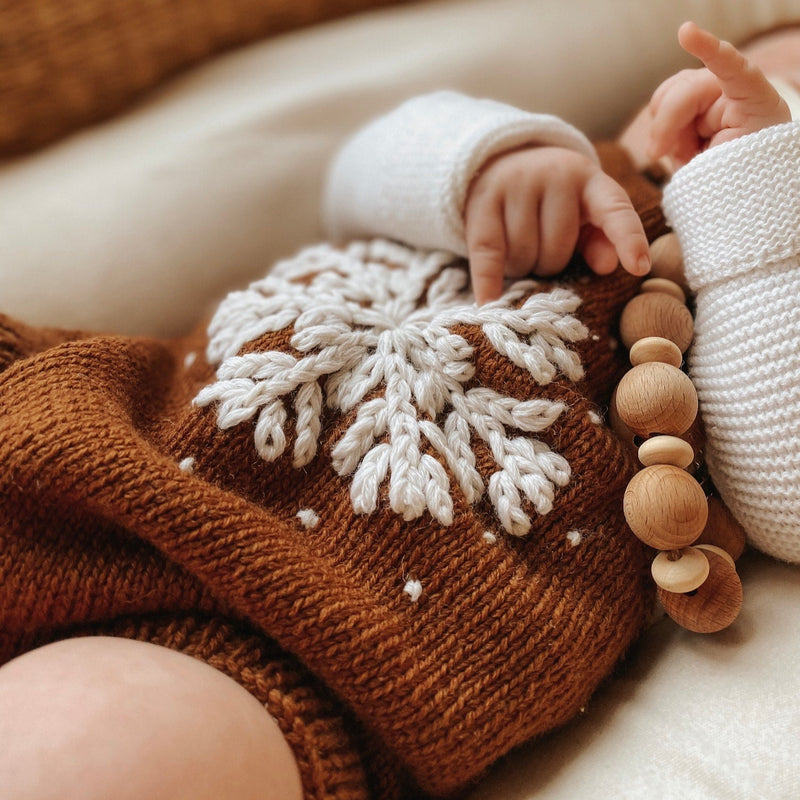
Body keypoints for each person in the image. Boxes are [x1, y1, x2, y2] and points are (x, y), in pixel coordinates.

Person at [0, 22, 796, 800]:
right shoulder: (563, 168)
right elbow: (356, 175)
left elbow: (782, 503)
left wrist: (759, 193)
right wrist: (486, 162)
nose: (737, 116)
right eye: (755, 75)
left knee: (100, 737)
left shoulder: (753, 329)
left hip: (314, 622)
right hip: (106, 422)